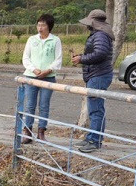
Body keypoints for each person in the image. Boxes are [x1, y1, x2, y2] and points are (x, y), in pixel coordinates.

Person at [71, 9, 114, 153]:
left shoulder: (100, 34)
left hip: (98, 75)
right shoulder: (100, 34)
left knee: (96, 110)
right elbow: (96, 52)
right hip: (97, 74)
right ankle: (92, 138)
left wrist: (81, 59)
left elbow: (100, 53)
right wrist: (83, 56)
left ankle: (94, 141)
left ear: (94, 23)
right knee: (95, 109)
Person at [20, 13, 63, 142]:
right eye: (38, 25)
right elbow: (26, 58)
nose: (40, 27)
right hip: (31, 76)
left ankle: (41, 131)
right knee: (30, 105)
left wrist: (48, 70)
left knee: (44, 105)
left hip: (48, 77)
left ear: (49, 26)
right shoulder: (32, 39)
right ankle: (27, 131)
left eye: (43, 25)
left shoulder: (55, 40)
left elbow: (58, 59)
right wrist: (34, 69)